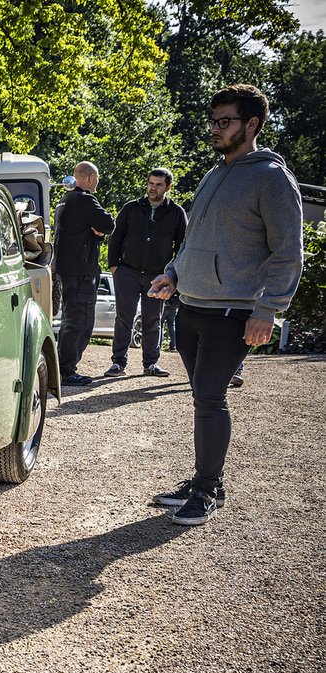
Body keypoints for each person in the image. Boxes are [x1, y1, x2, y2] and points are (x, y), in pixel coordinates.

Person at [148, 84, 303, 526]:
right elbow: (194, 237)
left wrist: (268, 309)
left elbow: (288, 250)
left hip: (233, 310)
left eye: (225, 121)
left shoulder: (272, 178)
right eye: (213, 121)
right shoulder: (215, 173)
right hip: (193, 304)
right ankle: (206, 480)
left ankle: (206, 489)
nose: (215, 129)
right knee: (202, 395)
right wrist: (174, 274)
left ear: (251, 124)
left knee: (211, 397)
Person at [104, 168, 187, 378]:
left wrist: (174, 275)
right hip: (127, 272)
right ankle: (118, 364)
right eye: (151, 183)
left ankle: (150, 364)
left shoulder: (176, 213)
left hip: (157, 276)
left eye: (159, 185)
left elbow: (183, 246)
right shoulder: (131, 208)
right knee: (124, 317)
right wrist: (115, 268)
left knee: (153, 319)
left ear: (167, 187)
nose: (153, 188)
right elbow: (115, 239)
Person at [55, 161, 115, 385]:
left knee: (71, 318)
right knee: (80, 320)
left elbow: (87, 231)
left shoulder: (65, 200)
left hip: (67, 268)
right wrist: (101, 230)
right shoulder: (84, 199)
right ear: (90, 178)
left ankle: (63, 367)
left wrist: (96, 234)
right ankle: (66, 370)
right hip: (81, 270)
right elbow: (108, 224)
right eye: (97, 179)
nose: (97, 183)